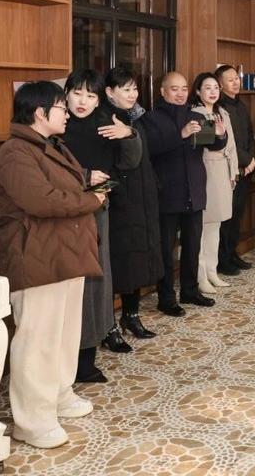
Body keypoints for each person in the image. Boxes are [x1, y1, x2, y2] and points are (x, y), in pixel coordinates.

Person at [0, 81, 104, 449]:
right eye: (61, 107)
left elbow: (69, 186)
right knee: (37, 340)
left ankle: (59, 394)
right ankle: (32, 421)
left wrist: (88, 188)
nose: (67, 113)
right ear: (40, 113)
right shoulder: (15, 152)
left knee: (64, 333)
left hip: (64, 252)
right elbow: (42, 200)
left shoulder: (51, 144)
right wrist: (91, 201)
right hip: (36, 257)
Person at [62, 69, 140, 384]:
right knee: (70, 288)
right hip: (62, 215)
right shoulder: (56, 125)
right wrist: (82, 177)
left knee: (97, 283)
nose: (83, 101)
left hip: (97, 212)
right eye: (77, 93)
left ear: (99, 100)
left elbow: (129, 162)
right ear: (66, 94)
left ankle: (87, 358)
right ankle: (67, 360)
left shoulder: (106, 124)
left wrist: (129, 135)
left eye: (90, 95)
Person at [144, 72, 226, 315]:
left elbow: (212, 144)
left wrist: (220, 135)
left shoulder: (195, 116)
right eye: (174, 89)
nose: (180, 94)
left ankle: (190, 290)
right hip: (167, 193)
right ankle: (166, 297)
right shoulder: (151, 119)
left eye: (183, 89)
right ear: (162, 91)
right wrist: (180, 135)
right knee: (166, 250)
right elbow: (150, 149)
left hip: (194, 190)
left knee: (192, 245)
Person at [102, 66, 162, 341]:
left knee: (136, 259)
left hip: (141, 197)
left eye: (134, 88)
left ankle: (131, 315)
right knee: (117, 262)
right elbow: (119, 162)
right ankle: (109, 325)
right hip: (119, 200)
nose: (132, 94)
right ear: (109, 92)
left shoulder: (137, 117)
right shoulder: (105, 118)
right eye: (125, 89)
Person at [191, 72, 237, 293]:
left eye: (215, 88)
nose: (212, 92)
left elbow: (232, 145)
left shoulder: (222, 112)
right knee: (202, 227)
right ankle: (200, 276)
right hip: (206, 171)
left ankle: (212, 271)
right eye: (207, 88)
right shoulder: (197, 113)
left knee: (216, 225)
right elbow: (208, 144)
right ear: (198, 91)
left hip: (222, 171)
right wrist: (217, 134)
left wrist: (233, 171)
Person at [215, 64, 255, 274]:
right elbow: (228, 143)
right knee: (226, 218)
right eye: (230, 80)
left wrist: (251, 159)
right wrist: (247, 160)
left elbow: (249, 135)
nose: (236, 82)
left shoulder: (241, 105)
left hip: (245, 170)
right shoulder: (219, 108)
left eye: (236, 78)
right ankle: (222, 259)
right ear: (220, 84)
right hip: (228, 171)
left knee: (237, 215)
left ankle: (232, 253)